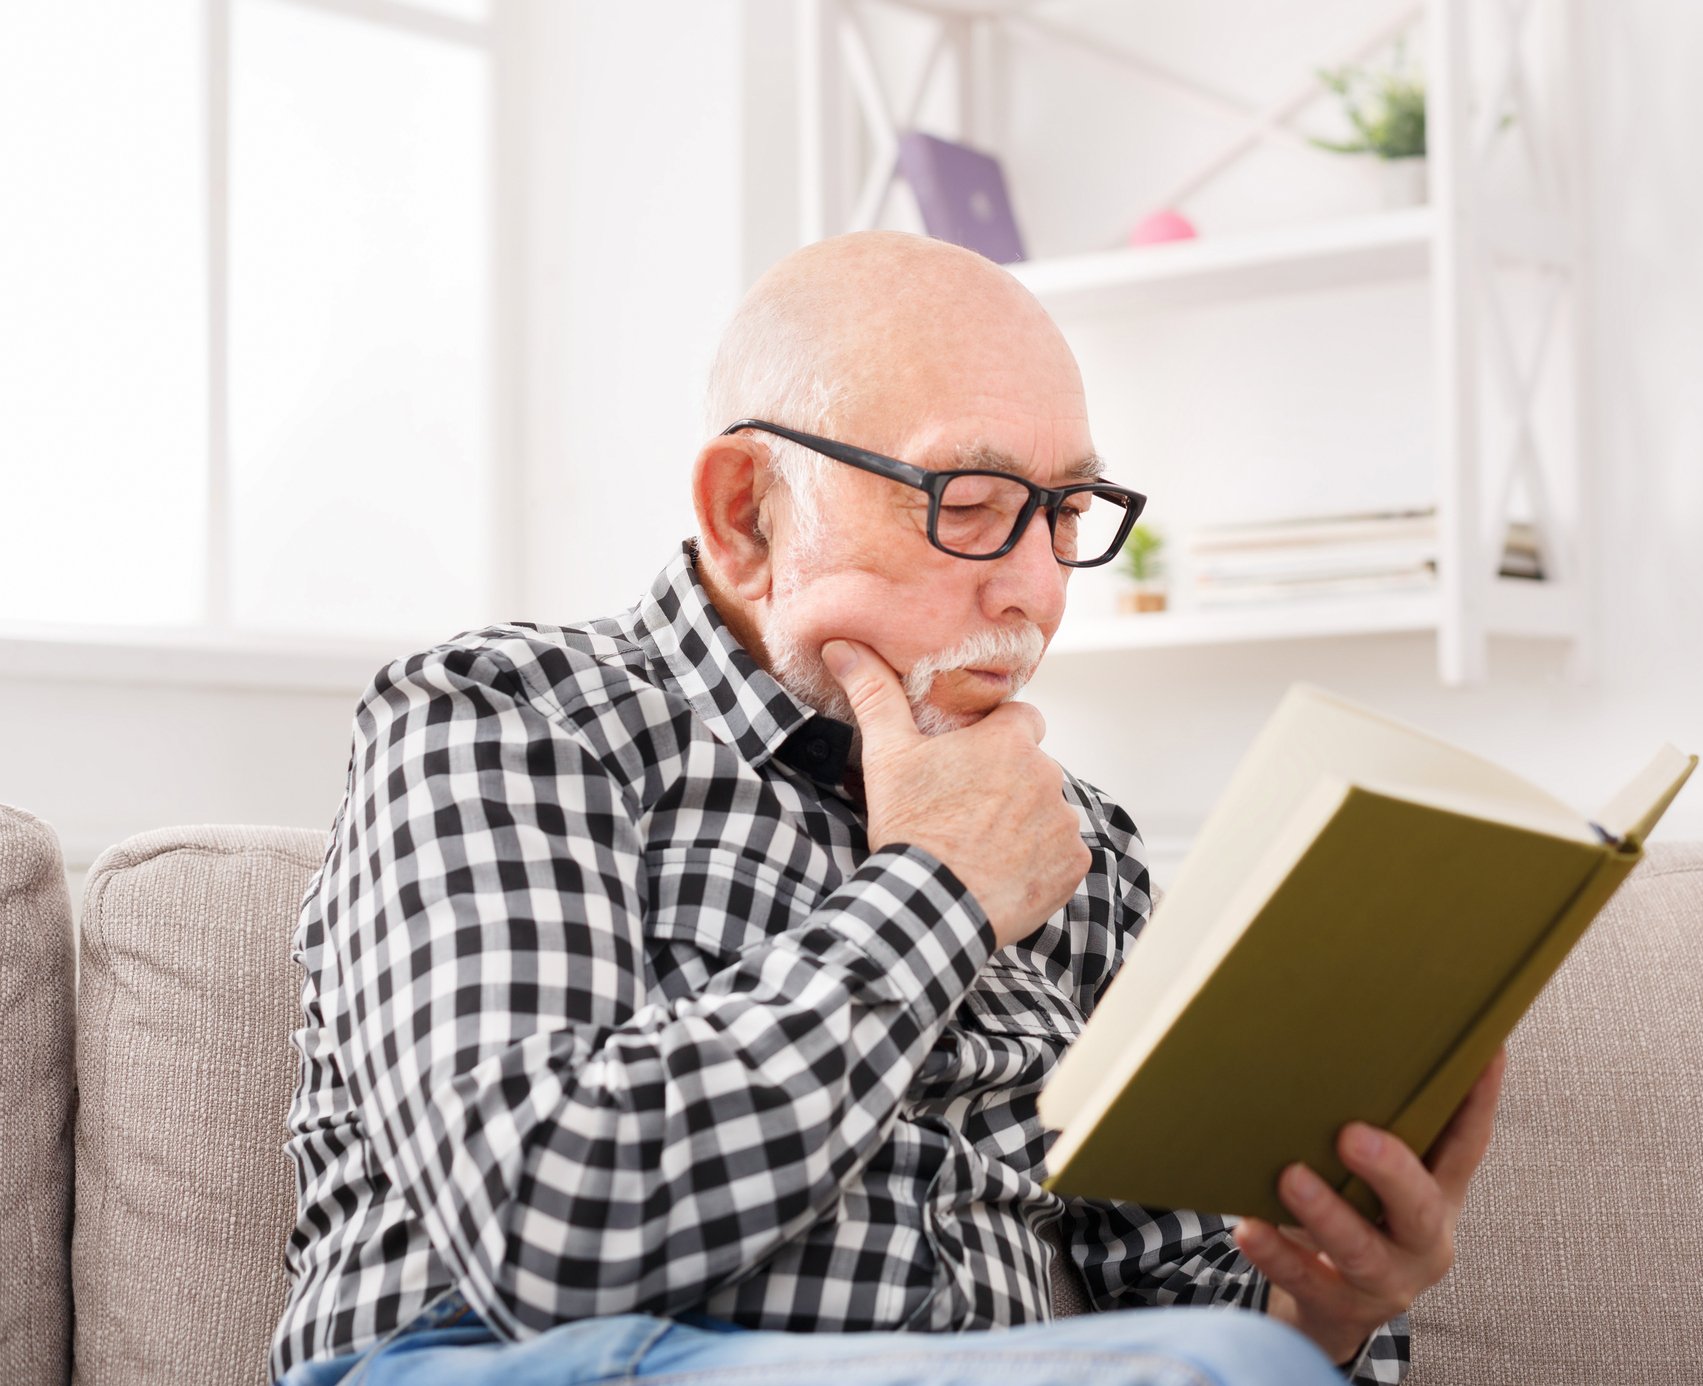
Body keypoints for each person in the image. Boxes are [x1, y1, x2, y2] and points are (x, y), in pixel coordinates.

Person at [272, 230, 1506, 1386]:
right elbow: (546, 1218)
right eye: (966, 504)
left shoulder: (1078, 847)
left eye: (1066, 515)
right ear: (745, 513)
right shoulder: (505, 714)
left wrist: (1324, 1310)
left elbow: (1185, 1291)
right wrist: (941, 889)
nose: (1033, 589)